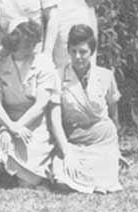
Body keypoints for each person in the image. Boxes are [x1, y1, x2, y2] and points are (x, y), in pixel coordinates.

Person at [49, 24, 122, 193]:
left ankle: (111, 162)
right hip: (73, 140)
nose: (78, 57)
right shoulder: (57, 76)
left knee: (105, 175)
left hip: (102, 139)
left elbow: (114, 112)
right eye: (73, 51)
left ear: (92, 52)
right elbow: (55, 120)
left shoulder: (105, 76)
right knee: (61, 176)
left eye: (83, 52)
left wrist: (116, 147)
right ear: (68, 50)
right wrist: (67, 151)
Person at [0, 18, 59, 186]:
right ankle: (4, 168)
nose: (31, 47)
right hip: (8, 120)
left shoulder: (43, 64)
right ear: (14, 43)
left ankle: (21, 172)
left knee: (27, 180)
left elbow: (41, 104)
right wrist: (9, 127)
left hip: (35, 123)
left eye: (33, 43)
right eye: (25, 43)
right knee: (1, 154)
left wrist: (18, 127)